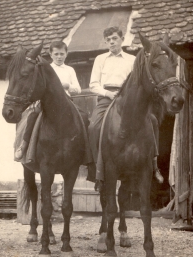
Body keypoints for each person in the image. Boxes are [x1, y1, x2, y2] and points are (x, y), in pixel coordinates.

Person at [88, 26, 163, 184]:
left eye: (114, 38)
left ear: (122, 39)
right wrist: (108, 94)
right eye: (108, 40)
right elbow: (93, 84)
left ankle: (154, 165)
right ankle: (96, 168)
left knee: (153, 121)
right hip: (107, 97)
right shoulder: (100, 59)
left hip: (129, 99)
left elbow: (137, 82)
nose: (111, 42)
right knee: (93, 127)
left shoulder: (132, 59)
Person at [15, 41, 82, 160]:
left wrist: (68, 86)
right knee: (33, 116)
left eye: (62, 54)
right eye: (56, 54)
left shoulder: (70, 70)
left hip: (67, 102)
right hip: (47, 102)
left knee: (83, 117)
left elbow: (78, 90)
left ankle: (84, 150)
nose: (59, 57)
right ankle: (24, 145)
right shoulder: (46, 68)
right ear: (51, 54)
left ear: (66, 54)